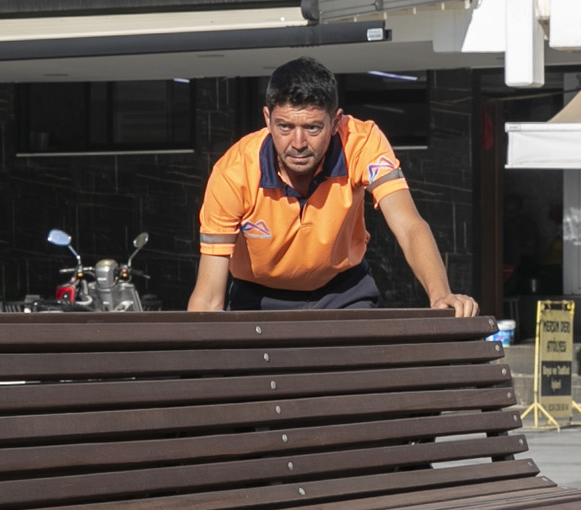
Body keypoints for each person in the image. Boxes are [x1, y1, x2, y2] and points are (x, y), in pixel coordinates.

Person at [189, 58, 478, 316]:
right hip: (258, 298)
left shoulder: (362, 141)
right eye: (285, 127)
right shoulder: (233, 173)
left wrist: (440, 293)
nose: (298, 143)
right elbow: (209, 298)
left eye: (313, 128)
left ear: (335, 121)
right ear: (267, 119)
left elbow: (408, 224)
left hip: (343, 292)